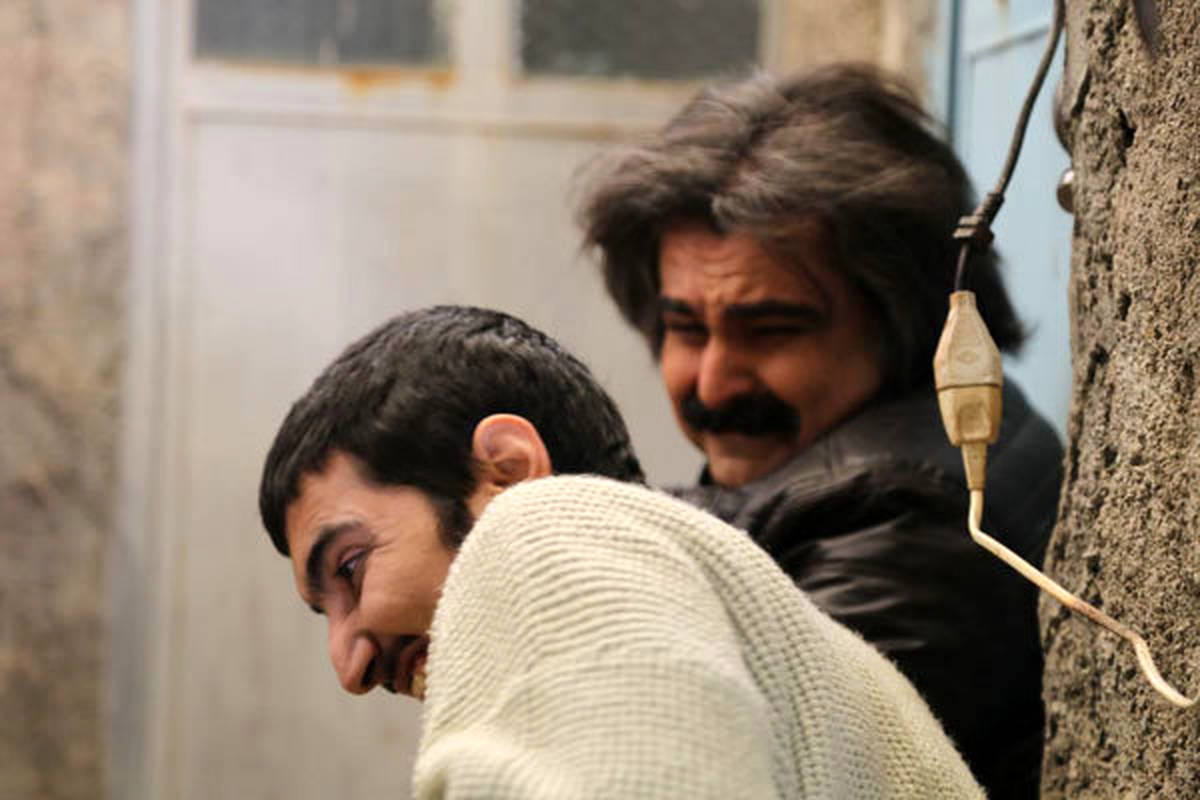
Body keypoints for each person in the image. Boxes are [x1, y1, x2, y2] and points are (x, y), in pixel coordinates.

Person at [258, 305, 984, 799]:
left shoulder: (543, 529)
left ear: (507, 471)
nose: (348, 666)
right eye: (325, 613)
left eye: (351, 567)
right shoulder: (709, 598)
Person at [576, 64, 1063, 798]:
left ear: (904, 320)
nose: (713, 384)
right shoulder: (900, 448)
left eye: (772, 330)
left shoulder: (912, 522)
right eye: (686, 328)